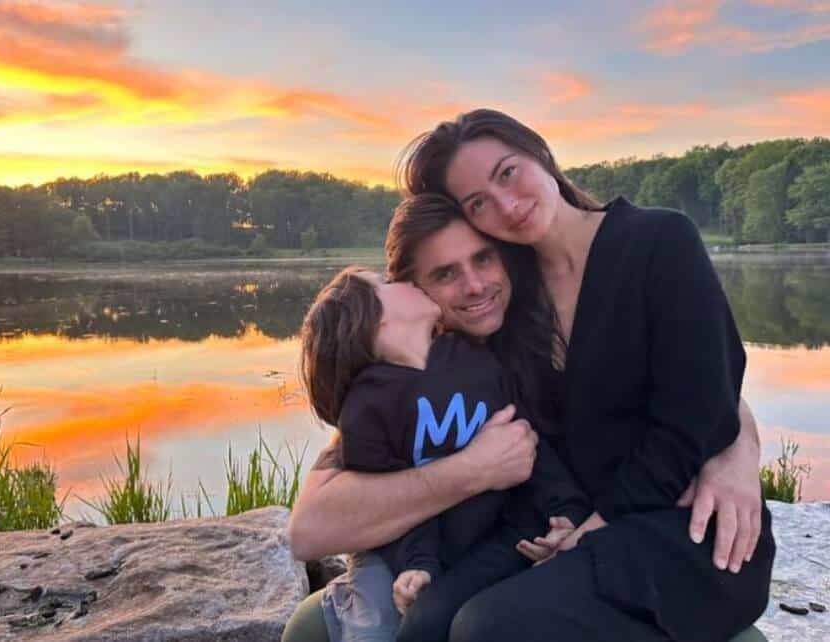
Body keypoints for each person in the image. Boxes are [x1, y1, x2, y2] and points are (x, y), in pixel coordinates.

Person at [283, 110, 772, 642]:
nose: (506, 206)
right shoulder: (503, 298)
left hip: (679, 533)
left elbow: (700, 401)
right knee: (427, 625)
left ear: (539, 152)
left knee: (484, 629)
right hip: (557, 534)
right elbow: (322, 509)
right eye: (477, 204)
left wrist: (737, 447)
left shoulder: (659, 242)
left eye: (507, 172)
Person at [297, 198, 592, 641]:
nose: (474, 285)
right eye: (445, 273)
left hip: (528, 541)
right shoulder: (390, 391)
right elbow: (308, 531)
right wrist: (473, 469)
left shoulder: (554, 326)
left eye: (483, 258)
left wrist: (737, 438)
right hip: (432, 561)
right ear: (414, 287)